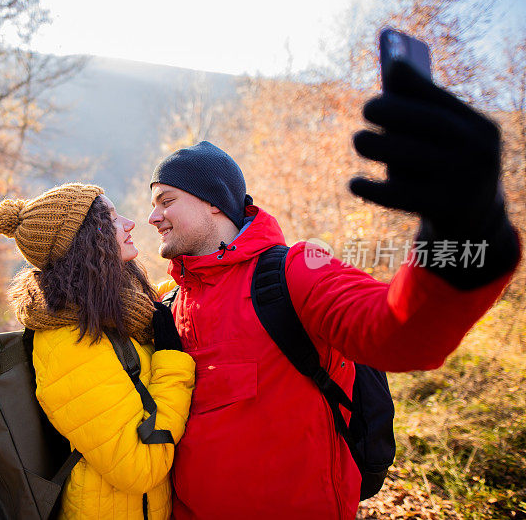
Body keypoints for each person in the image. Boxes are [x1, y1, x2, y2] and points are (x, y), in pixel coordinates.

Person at [147, 61, 521, 519]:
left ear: (214, 203)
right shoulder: (172, 300)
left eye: (167, 201)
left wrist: (469, 230)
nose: (153, 217)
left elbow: (397, 333)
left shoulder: (295, 270)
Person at [0, 183, 195, 520]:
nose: (130, 223)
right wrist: (172, 363)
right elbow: (139, 467)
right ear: (84, 243)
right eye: (111, 219)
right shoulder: (68, 342)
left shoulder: (111, 311)